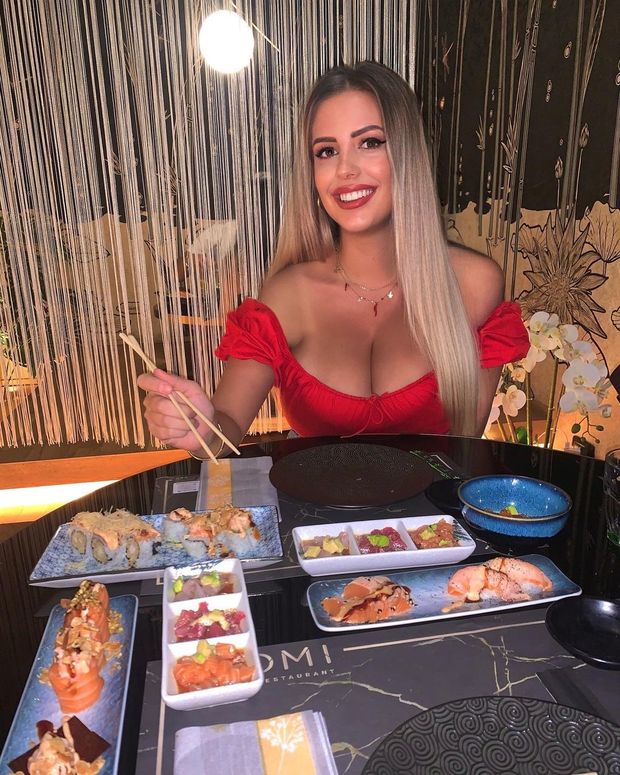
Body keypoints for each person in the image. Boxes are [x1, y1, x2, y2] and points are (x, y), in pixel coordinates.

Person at [138, 61, 529, 457]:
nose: (345, 169)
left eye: (370, 142)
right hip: (307, 498)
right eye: (326, 151)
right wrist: (197, 428)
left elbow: (464, 446)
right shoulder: (289, 294)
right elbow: (222, 433)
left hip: (431, 499)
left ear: (408, 155)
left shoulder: (474, 283)